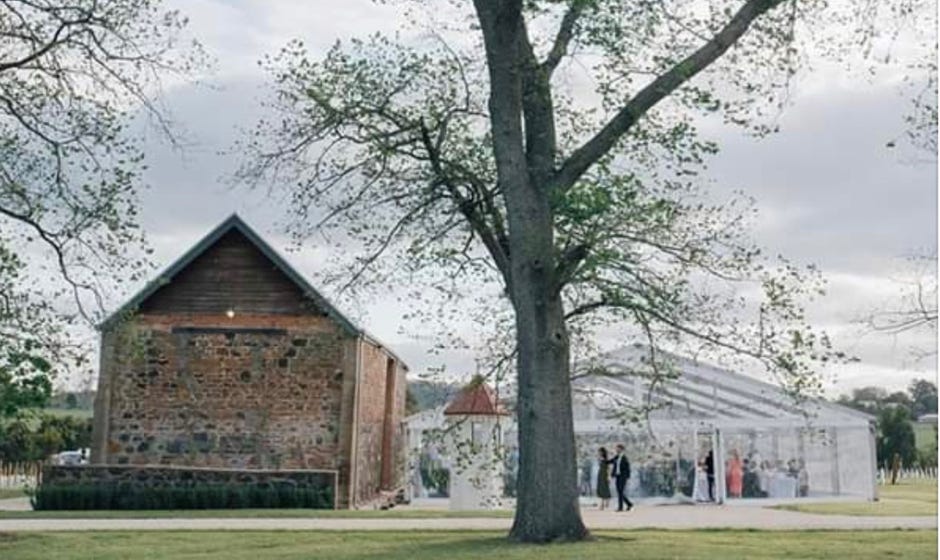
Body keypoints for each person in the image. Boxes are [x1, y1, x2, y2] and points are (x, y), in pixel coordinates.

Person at [610, 443, 633, 511]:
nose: (616, 449)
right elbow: (610, 461)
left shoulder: (624, 458)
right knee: (619, 492)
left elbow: (627, 468)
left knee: (620, 491)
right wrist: (604, 460)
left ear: (621, 449)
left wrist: (628, 477)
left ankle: (621, 507)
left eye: (618, 448)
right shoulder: (616, 457)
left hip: (623, 476)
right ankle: (629, 504)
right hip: (617, 476)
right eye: (616, 448)